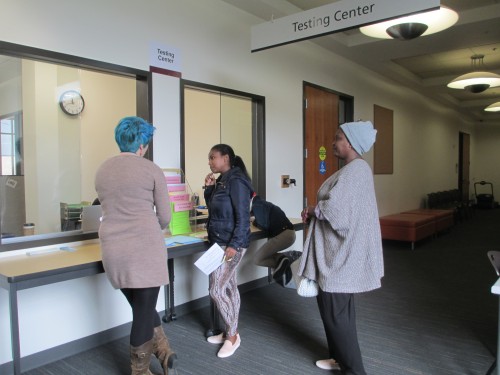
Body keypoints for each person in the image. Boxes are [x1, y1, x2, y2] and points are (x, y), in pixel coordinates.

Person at [299, 121, 384, 375]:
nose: (333, 142)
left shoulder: (355, 171)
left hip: (341, 257)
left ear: (350, 143)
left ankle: (354, 370)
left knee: (337, 316)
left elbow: (338, 211)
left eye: (337, 138)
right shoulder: (354, 170)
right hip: (338, 253)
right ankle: (338, 357)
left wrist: (313, 209)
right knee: (334, 312)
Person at [95, 116, 177, 375]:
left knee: (142, 307)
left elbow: (107, 206)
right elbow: (164, 216)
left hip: (113, 249)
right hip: (144, 249)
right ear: (141, 144)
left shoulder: (102, 170)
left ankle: (164, 350)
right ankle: (139, 371)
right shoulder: (151, 169)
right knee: (142, 312)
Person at [203, 144, 254, 358]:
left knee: (216, 290)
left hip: (231, 244)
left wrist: (234, 245)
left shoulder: (237, 180)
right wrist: (208, 189)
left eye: (213, 157)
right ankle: (229, 332)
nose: (210, 162)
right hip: (220, 242)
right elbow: (216, 211)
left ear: (226, 158)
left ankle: (232, 336)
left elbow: (243, 217)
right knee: (230, 287)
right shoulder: (223, 181)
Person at [250, 195, 296, 286]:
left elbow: (263, 225)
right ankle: (282, 259)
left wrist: (253, 221)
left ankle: (289, 260)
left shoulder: (257, 206)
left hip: (284, 235)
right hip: (289, 234)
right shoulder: (265, 204)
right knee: (267, 256)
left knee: (257, 259)